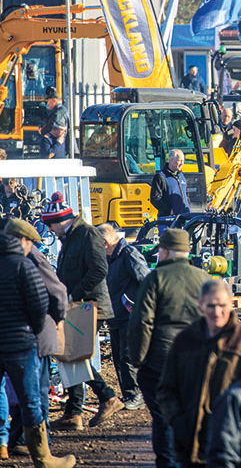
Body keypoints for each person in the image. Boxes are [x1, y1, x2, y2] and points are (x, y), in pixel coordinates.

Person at [158, 279, 241, 468]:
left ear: (231, 304)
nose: (217, 312)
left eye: (222, 305)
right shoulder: (185, 340)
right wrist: (178, 421)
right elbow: (166, 388)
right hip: (191, 445)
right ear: (201, 305)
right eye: (211, 306)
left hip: (234, 448)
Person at [129, 229, 211, 468]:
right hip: (197, 358)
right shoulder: (204, 278)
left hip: (160, 359)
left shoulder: (154, 279)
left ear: (164, 251)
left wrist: (138, 358)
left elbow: (141, 321)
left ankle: (168, 463)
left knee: (164, 418)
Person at [43, 193, 122, 431]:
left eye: (51, 225)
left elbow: (99, 270)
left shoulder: (87, 235)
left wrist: (72, 294)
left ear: (59, 221)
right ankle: (74, 412)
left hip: (89, 305)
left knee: (74, 354)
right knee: (71, 354)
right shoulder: (73, 237)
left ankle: (106, 397)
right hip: (81, 305)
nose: (51, 230)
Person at [0, 226, 76, 468]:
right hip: (22, 341)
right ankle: (43, 457)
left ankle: (5, 442)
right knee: (31, 399)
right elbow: (39, 302)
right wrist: (32, 327)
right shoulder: (23, 266)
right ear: (22, 241)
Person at [99, 223, 151, 411]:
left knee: (128, 358)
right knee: (119, 357)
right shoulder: (112, 259)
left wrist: (140, 309)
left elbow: (145, 281)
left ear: (105, 242)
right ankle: (130, 393)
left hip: (130, 315)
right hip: (116, 316)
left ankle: (135, 395)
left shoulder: (128, 254)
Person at [150, 150, 190, 217]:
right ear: (171, 160)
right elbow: (155, 199)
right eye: (180, 161)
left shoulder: (181, 176)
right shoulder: (160, 177)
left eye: (183, 161)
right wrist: (169, 211)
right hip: (168, 220)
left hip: (184, 217)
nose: (182, 163)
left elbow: (186, 195)